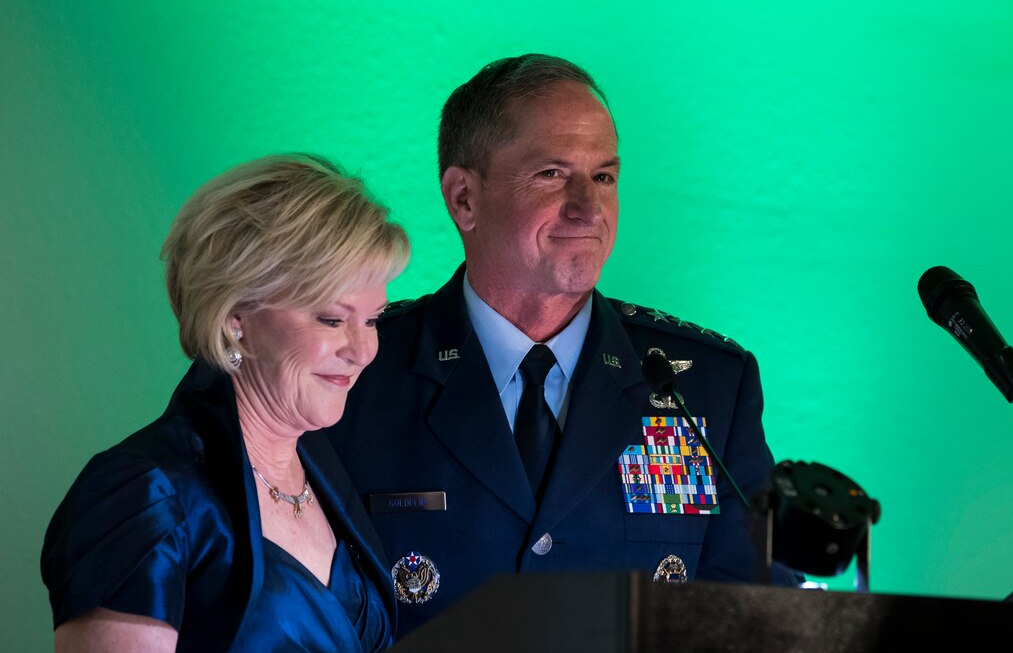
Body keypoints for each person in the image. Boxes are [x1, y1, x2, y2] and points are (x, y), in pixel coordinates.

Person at [324, 54, 793, 637]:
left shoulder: (707, 387)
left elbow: (760, 620)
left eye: (604, 177)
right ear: (464, 198)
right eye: (551, 174)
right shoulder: (354, 368)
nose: (589, 208)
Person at [41, 154, 409, 652]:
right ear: (236, 316)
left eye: (372, 320)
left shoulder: (325, 466)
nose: (363, 350)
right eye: (331, 319)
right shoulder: (143, 495)